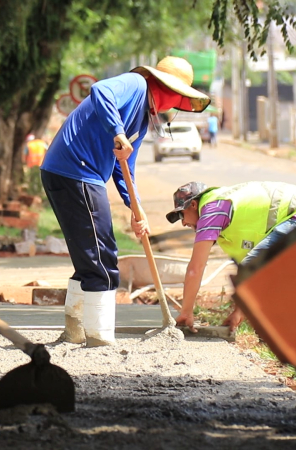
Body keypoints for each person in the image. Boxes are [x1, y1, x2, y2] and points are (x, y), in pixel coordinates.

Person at [40, 56, 210, 347]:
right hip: (76, 171)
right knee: (103, 259)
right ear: (167, 89)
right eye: (178, 96)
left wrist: (136, 206)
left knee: (88, 260)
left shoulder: (142, 117)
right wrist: (117, 131)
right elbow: (100, 90)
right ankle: (100, 338)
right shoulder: (135, 84)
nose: (174, 105)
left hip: (67, 173)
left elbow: (124, 165)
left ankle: (74, 332)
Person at [166, 181, 296, 333]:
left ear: (193, 205)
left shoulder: (213, 211)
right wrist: (238, 313)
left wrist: (186, 312)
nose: (183, 224)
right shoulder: (223, 213)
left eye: (181, 215)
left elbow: (196, 268)